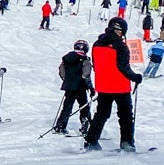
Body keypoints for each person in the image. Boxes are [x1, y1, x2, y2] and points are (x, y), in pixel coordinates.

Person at [84, 16, 142, 151]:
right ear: (122, 31)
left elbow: (95, 65)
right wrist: (135, 77)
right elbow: (123, 67)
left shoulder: (97, 43)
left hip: (103, 85)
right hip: (120, 86)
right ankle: (127, 142)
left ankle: (91, 141)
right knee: (125, 115)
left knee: (101, 114)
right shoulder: (121, 46)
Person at [51, 39, 95, 136]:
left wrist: (67, 79)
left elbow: (61, 71)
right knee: (84, 106)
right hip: (81, 87)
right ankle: (85, 128)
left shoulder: (67, 58)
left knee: (67, 107)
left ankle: (60, 126)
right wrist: (91, 88)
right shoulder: (85, 60)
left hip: (69, 87)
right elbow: (86, 75)